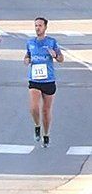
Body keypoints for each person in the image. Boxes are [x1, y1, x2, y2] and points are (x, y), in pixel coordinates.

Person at [24, 17, 63, 148]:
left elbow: (61, 58)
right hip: (34, 79)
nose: (37, 28)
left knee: (46, 111)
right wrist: (26, 59)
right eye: (36, 25)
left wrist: (55, 55)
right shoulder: (30, 42)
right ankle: (37, 126)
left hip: (49, 80)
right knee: (34, 107)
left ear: (45, 27)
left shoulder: (52, 42)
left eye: (40, 25)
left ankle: (46, 134)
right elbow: (28, 55)